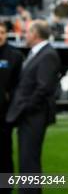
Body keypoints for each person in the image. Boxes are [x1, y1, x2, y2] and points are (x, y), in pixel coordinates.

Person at [6, 20, 61, 192]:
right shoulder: (38, 53)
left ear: (35, 34)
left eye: (27, 32)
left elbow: (43, 88)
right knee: (26, 159)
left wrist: (25, 107)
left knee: (29, 160)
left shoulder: (48, 54)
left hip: (34, 115)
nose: (24, 35)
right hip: (29, 115)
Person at [0, 21, 23, 175]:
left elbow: (20, 85)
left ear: (6, 34)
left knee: (4, 153)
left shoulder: (15, 56)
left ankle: (5, 187)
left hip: (4, 115)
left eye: (1, 32)